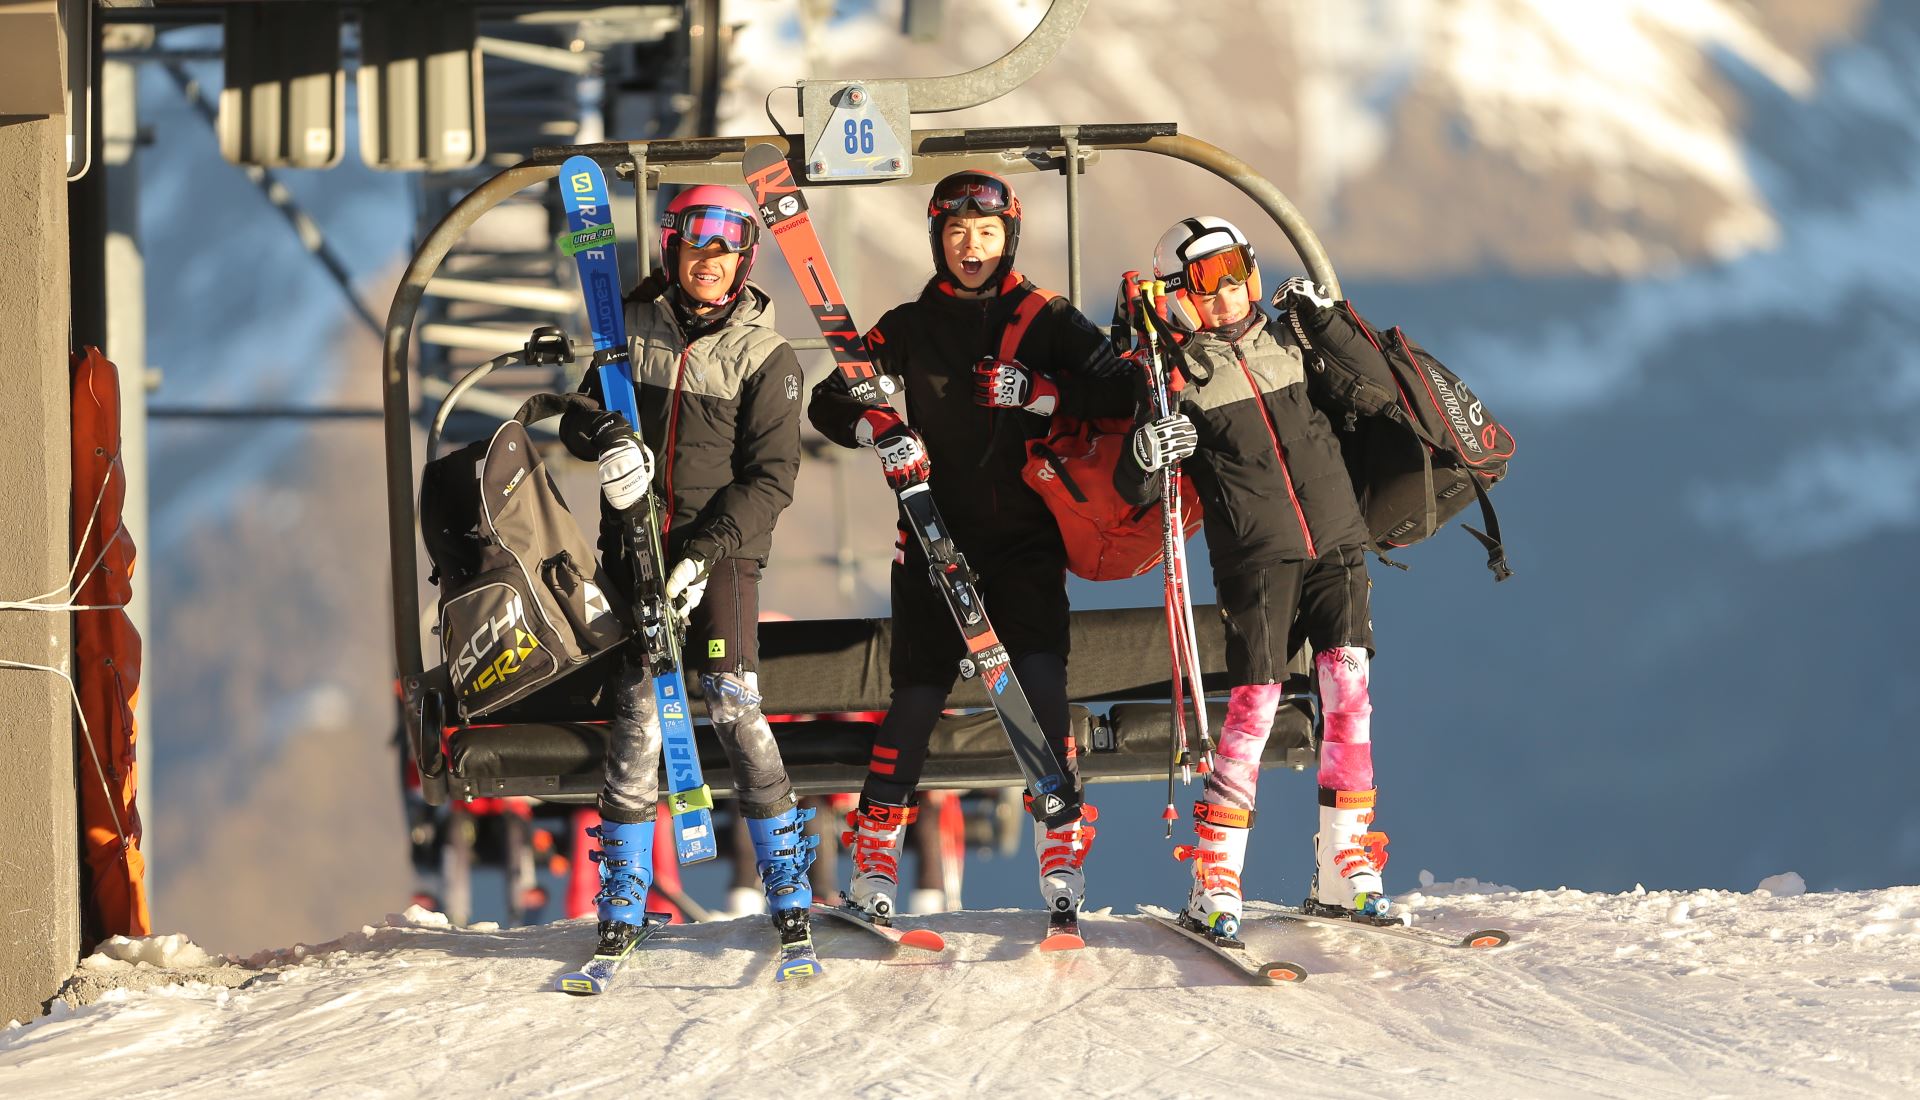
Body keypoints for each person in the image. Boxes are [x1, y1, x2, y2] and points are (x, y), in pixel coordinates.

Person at [806, 170, 1133, 930]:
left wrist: (1042, 394)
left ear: (1008, 236)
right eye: (956, 234)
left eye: (986, 234)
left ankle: (1060, 842)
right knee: (915, 699)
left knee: (1041, 688)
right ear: (937, 239)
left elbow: (1121, 391)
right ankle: (876, 854)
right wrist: (881, 432)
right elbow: (831, 401)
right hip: (930, 537)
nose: (971, 247)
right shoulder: (911, 324)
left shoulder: (1043, 316)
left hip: (1024, 539)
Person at [1114, 216, 1393, 940]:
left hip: (1336, 541)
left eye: (1237, 267)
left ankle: (1346, 862)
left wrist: (1329, 325)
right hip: (1258, 557)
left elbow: (1374, 392)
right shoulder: (1176, 375)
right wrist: (1151, 446)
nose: (1228, 290)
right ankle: (1217, 874)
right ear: (1179, 295)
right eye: (1206, 279)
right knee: (1253, 710)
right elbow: (1138, 489)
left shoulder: (1292, 340)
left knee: (1348, 696)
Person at [560, 184, 816, 958]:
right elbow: (575, 418)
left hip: (725, 558)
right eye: (697, 248)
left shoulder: (765, 354)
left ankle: (789, 885)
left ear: (743, 260)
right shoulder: (630, 329)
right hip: (635, 549)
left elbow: (772, 477)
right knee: (638, 715)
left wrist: (703, 557)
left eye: (725, 251)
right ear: (674, 248)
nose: (709, 264)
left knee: (735, 706)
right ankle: (625, 892)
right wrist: (606, 436)